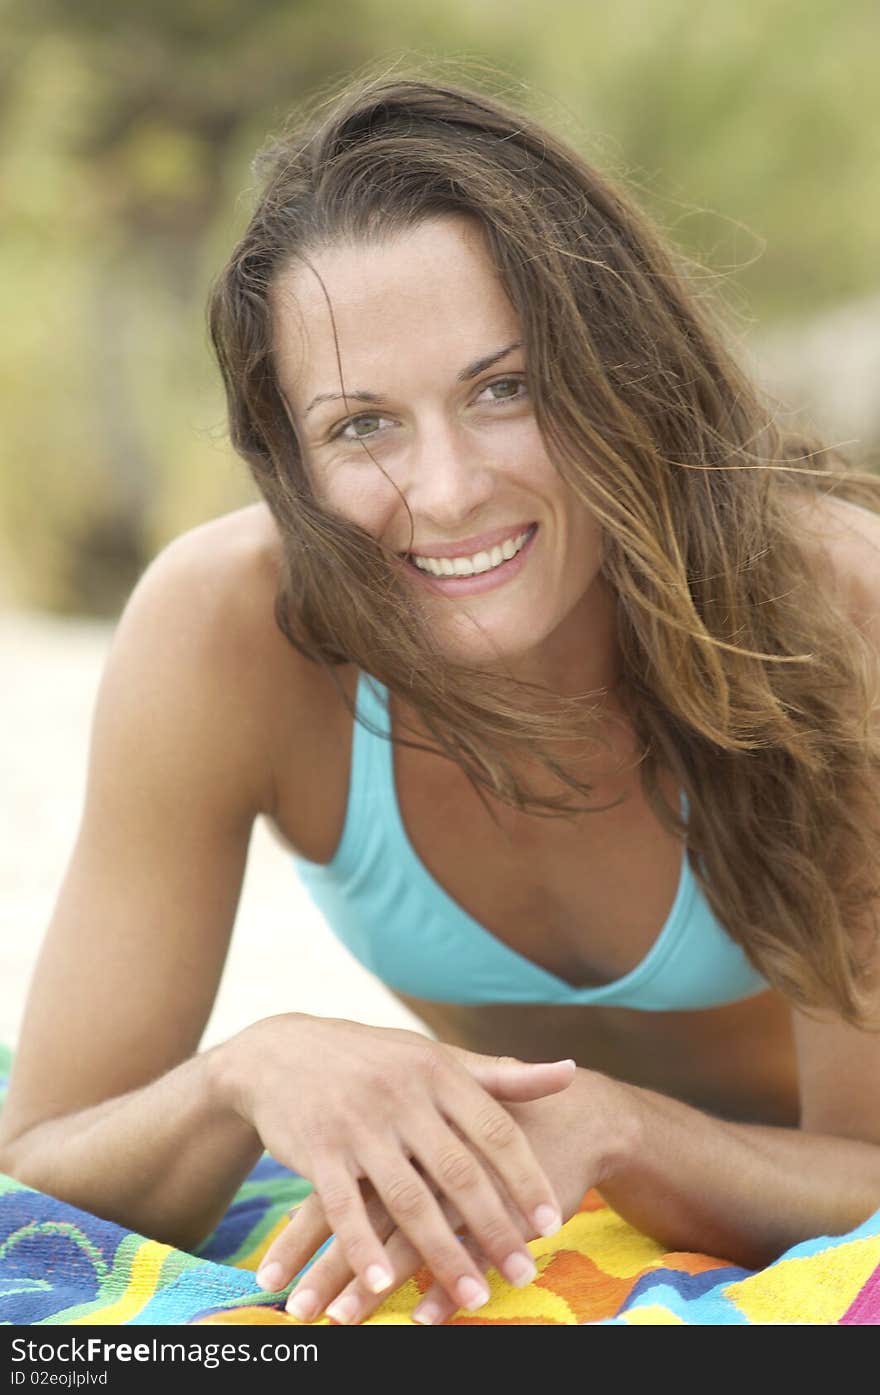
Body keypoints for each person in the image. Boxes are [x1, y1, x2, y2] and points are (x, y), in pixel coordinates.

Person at [3, 71, 880, 1330]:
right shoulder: (225, 632)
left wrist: (626, 1134)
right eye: (362, 426)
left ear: (614, 369)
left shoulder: (825, 611)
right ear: (286, 456)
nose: (449, 488)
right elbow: (41, 1170)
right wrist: (247, 1074)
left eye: (503, 389)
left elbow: (865, 1167)